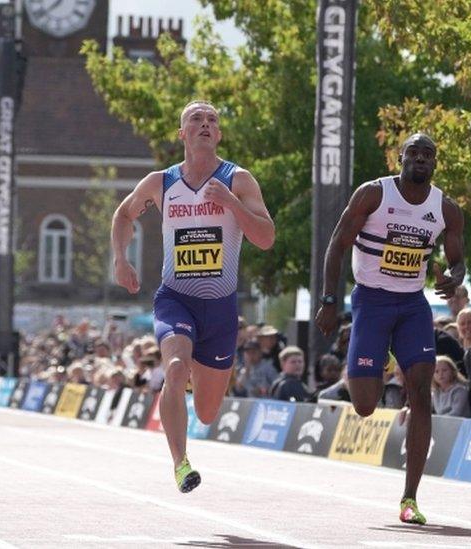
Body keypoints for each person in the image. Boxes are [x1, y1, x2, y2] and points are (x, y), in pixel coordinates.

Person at [111, 100, 275, 492]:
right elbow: (123, 215)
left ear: (218, 135)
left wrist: (231, 204)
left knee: (206, 411)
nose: (205, 124)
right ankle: (180, 463)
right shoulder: (161, 182)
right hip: (175, 299)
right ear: (182, 134)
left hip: (220, 308)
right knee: (174, 367)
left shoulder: (239, 180)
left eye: (212, 120)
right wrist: (120, 259)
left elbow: (266, 238)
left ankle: (189, 380)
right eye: (195, 119)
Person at [315, 133, 465, 525]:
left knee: (420, 393)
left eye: (427, 154)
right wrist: (330, 301)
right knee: (365, 404)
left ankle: (410, 498)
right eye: (413, 153)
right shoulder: (373, 195)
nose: (420, 159)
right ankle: (374, 357)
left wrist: (453, 277)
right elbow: (337, 244)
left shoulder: (445, 208)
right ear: (401, 158)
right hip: (372, 300)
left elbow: (458, 261)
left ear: (435, 163)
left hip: (413, 305)